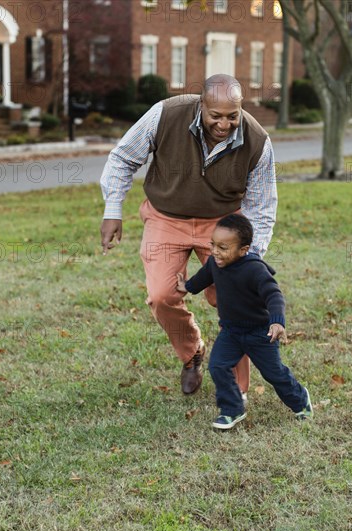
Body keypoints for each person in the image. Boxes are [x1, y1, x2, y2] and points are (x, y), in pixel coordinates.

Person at [100, 74, 277, 397]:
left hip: (223, 223)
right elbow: (123, 157)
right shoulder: (165, 115)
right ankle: (192, 352)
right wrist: (113, 209)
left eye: (232, 116)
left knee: (233, 301)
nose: (224, 124)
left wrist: (249, 257)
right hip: (167, 216)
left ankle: (236, 392)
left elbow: (262, 206)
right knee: (162, 295)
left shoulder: (257, 140)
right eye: (216, 116)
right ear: (201, 106)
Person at [176, 214, 312, 430]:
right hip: (231, 331)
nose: (215, 251)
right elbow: (205, 276)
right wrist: (189, 286)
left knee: (273, 373)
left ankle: (300, 400)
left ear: (243, 250)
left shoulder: (254, 269)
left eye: (223, 247)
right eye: (213, 245)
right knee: (218, 366)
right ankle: (232, 409)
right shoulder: (215, 262)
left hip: (259, 333)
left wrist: (277, 322)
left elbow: (274, 295)